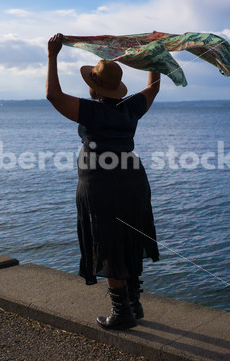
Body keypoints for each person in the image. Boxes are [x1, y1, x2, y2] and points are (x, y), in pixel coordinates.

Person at [46, 33, 160, 330]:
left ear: (93, 86)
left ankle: (122, 313)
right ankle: (133, 303)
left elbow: (53, 95)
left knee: (107, 242)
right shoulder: (131, 107)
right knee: (129, 237)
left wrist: (52, 55)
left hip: (100, 183)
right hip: (133, 179)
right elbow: (154, 86)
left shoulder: (91, 111)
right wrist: (153, 58)